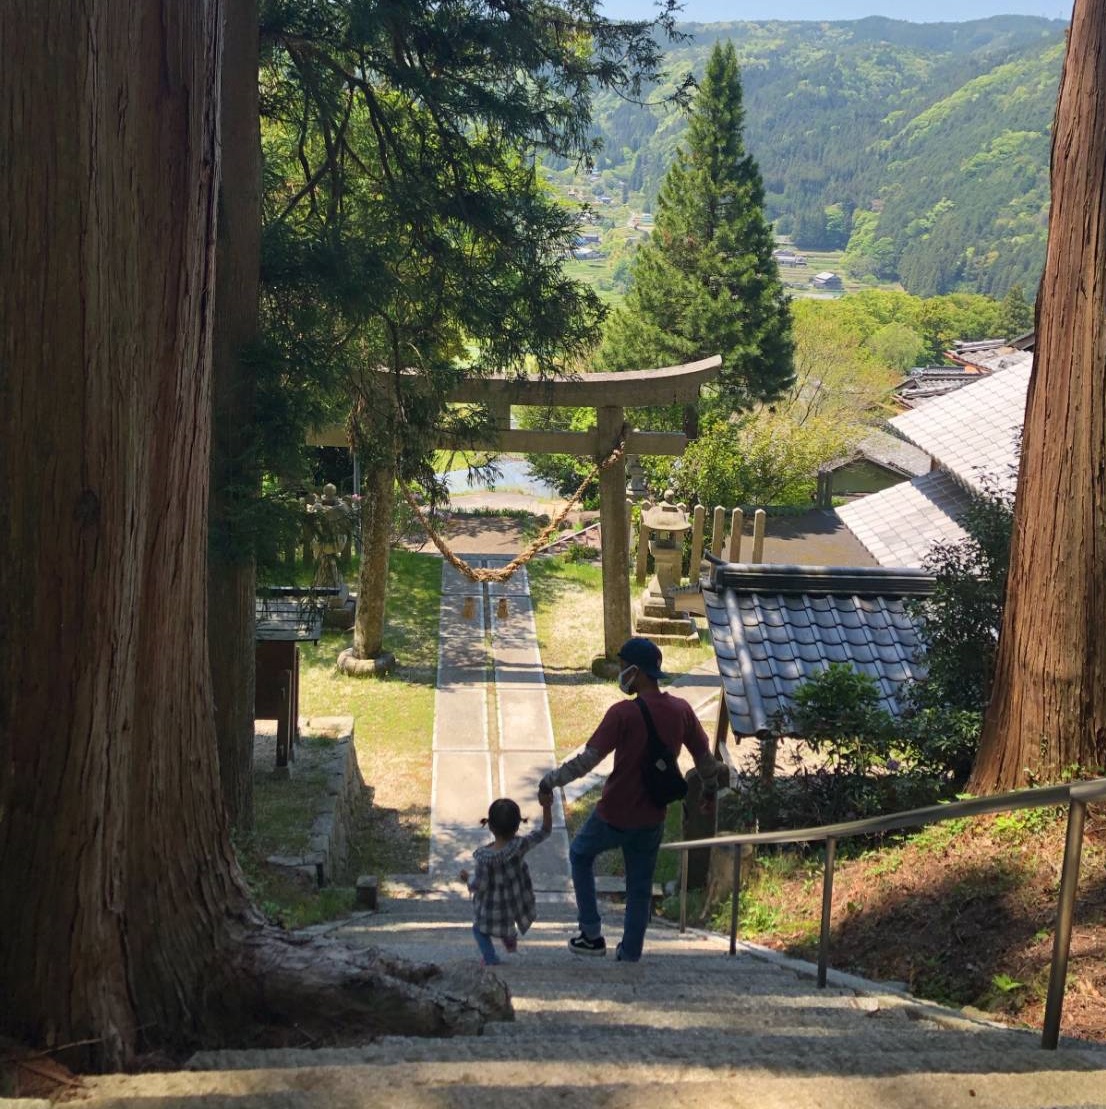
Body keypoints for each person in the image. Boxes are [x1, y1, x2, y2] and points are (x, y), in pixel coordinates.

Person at [539, 636, 719, 963]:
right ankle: (630, 954)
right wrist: (708, 793)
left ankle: (591, 934)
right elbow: (705, 761)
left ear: (637, 672)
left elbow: (587, 761)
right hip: (653, 816)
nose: (621, 674)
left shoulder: (622, 713)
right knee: (639, 885)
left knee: (580, 855)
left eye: (624, 668)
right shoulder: (682, 710)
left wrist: (550, 781)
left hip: (614, 812)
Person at [459, 793, 553, 966]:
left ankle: (490, 959)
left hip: (488, 911)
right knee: (508, 925)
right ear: (518, 826)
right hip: (512, 906)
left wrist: (467, 879)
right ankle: (510, 940)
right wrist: (546, 806)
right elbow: (545, 831)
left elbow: (479, 885)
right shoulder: (520, 846)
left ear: (490, 826)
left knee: (479, 931)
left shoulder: (484, 859)